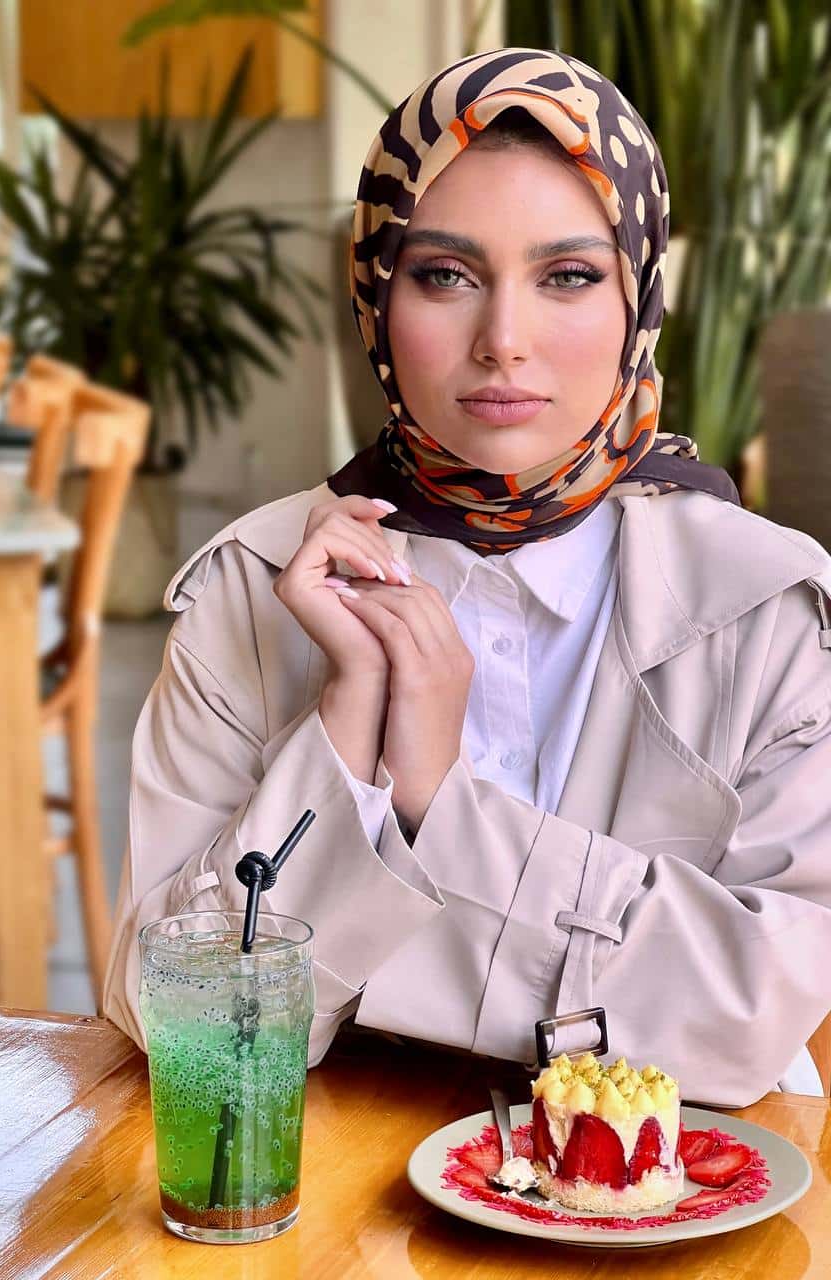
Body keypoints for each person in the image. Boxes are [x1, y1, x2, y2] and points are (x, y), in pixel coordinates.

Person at [103, 47, 831, 1106]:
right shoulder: (251, 591)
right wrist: (345, 728)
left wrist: (437, 802)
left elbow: (751, 1019)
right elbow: (170, 1021)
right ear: (374, 293)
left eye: (568, 276)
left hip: (674, 1190)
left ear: (638, 296)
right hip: (329, 1175)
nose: (503, 341)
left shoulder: (767, 608)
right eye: (444, 275)